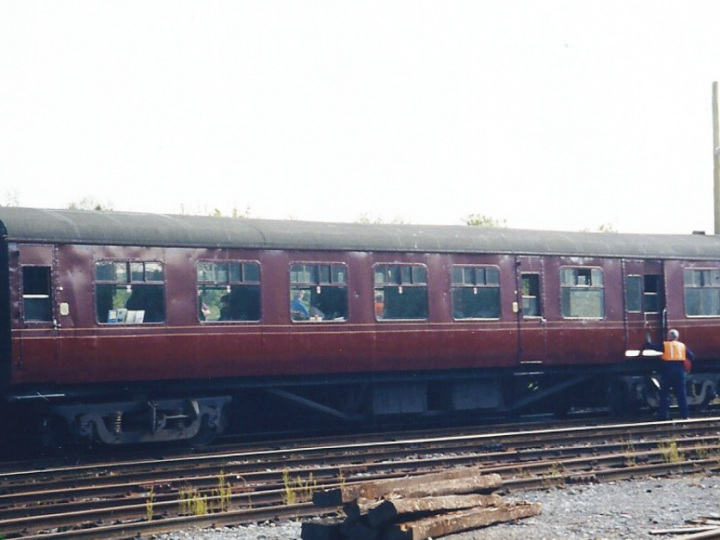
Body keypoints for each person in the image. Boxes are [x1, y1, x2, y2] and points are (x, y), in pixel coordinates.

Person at [642, 329, 693, 420]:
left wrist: (647, 340)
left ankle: (664, 415)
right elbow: (691, 356)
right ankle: (685, 415)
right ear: (677, 337)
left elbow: (653, 347)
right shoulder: (682, 346)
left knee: (664, 393)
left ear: (669, 337)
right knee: (681, 394)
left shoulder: (665, 345)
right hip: (679, 370)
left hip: (668, 370)